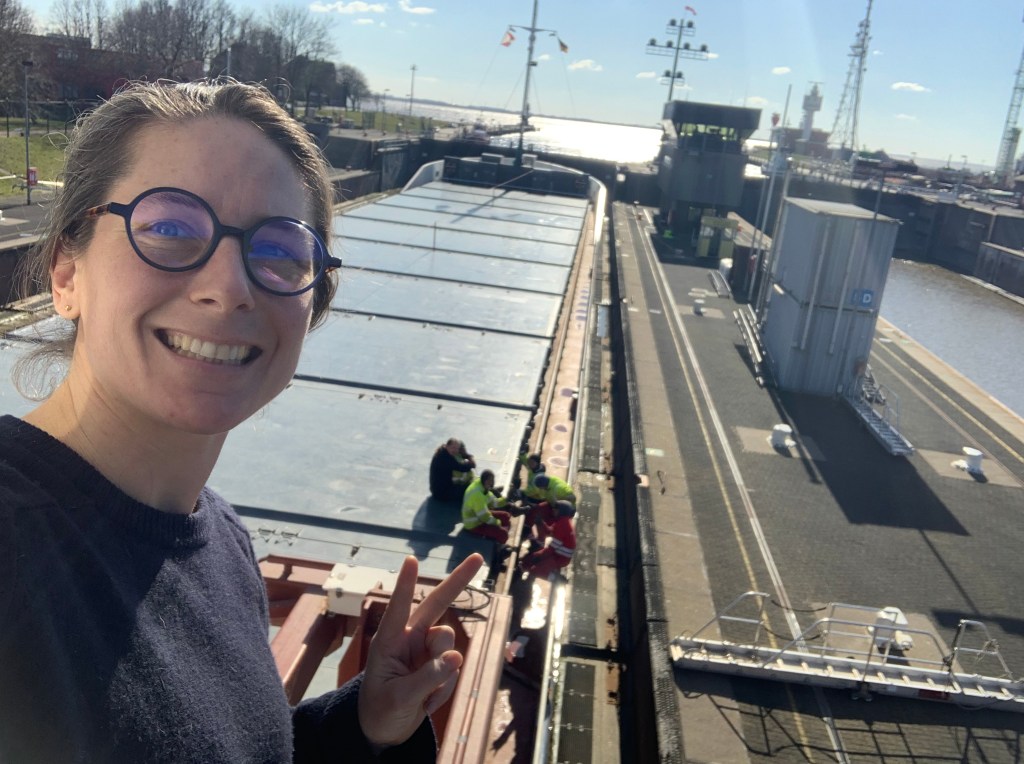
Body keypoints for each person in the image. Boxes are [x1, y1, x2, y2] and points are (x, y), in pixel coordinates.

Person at [0, 79, 483, 763]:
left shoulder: (221, 544)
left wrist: (366, 723)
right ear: (67, 274)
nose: (228, 288)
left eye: (281, 251)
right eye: (169, 228)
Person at [520, 501, 576, 579]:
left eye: (556, 510)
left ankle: (557, 579)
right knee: (530, 559)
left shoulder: (563, 525)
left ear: (561, 511)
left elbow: (550, 550)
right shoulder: (562, 521)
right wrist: (541, 523)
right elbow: (550, 531)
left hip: (560, 557)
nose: (553, 511)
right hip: (557, 552)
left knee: (535, 570)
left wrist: (537, 556)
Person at [461, 469, 512, 545]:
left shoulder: (482, 487)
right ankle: (499, 548)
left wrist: (506, 499)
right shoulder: (477, 495)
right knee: (503, 534)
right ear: (485, 480)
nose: (492, 483)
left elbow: (494, 502)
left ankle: (496, 537)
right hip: (474, 524)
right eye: (490, 480)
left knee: (506, 516)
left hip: (478, 515)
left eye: (492, 480)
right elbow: (485, 517)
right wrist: (498, 523)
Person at [429, 437, 476, 502]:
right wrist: (469, 457)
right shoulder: (445, 458)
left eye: (457, 449)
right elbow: (463, 468)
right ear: (447, 446)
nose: (455, 451)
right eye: (453, 448)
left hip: (438, 488)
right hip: (441, 493)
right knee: (472, 488)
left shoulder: (443, 451)